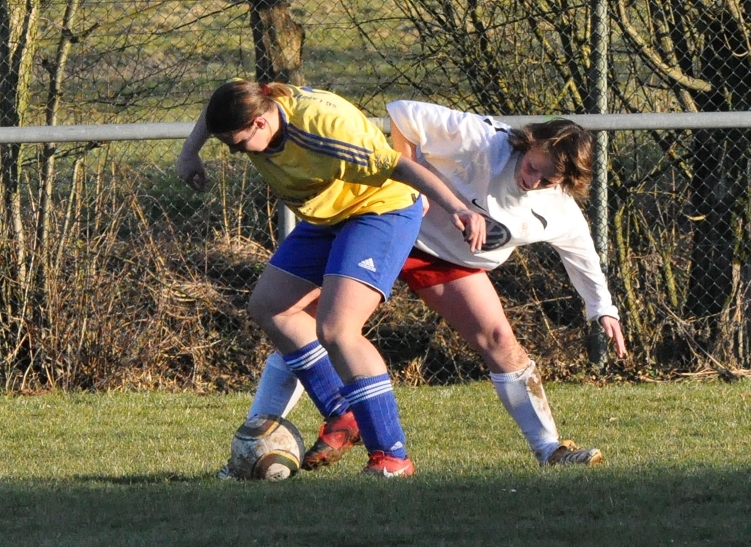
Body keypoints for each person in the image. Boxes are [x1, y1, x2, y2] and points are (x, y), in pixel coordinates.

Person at [233, 99, 628, 472]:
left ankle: (550, 449)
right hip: (384, 222)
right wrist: (409, 187)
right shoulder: (486, 140)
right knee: (308, 323)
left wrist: (603, 308)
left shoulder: (560, 210)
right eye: (533, 166)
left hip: (444, 261)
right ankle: (258, 438)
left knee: (498, 339)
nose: (535, 179)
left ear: (566, 181)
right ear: (532, 142)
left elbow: (584, 259)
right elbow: (403, 114)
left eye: (548, 179)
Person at [176, 81, 486, 478]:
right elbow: (216, 102)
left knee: (339, 330)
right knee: (271, 307)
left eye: (237, 144)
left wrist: (459, 210)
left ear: (258, 122)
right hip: (331, 214)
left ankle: (391, 456)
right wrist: (189, 152)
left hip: (380, 211)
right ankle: (343, 414)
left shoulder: (328, 129)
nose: (235, 152)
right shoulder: (247, 101)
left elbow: (400, 166)